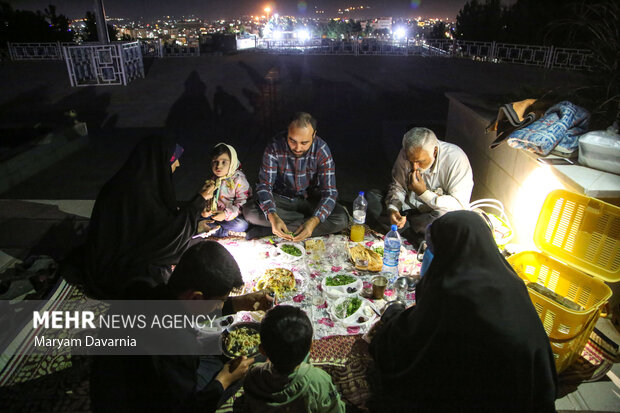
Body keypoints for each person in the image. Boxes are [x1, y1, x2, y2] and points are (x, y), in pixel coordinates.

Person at [368, 211, 558, 413]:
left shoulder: (450, 290)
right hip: (532, 389)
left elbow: (412, 337)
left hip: (487, 394)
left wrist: (393, 314)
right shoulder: (510, 279)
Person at [90, 241, 275, 413]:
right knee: (248, 361)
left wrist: (236, 304)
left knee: (218, 346)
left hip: (116, 374)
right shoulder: (179, 345)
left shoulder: (142, 286)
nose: (220, 306)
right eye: (221, 301)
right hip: (130, 402)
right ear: (196, 298)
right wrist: (224, 381)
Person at [69, 135, 211, 299]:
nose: (178, 164)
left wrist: (195, 224)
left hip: (130, 248)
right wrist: (198, 201)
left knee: (194, 242)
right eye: (174, 159)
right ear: (159, 161)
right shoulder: (140, 192)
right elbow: (165, 242)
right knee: (182, 262)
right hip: (119, 268)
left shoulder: (136, 181)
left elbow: (156, 225)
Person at [243, 112, 348, 242]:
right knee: (249, 211)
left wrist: (314, 221)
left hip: (310, 200)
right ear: (287, 132)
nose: (298, 148)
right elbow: (264, 186)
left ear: (314, 135)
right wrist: (273, 216)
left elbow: (330, 193)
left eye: (304, 142)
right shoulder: (274, 146)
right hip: (282, 199)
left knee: (341, 218)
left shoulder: (322, 149)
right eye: (292, 140)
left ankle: (268, 230)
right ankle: (287, 224)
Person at [367, 127, 473, 242]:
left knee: (446, 220)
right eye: (411, 161)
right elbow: (398, 186)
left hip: (431, 215)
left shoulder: (456, 159)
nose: (414, 167)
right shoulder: (406, 153)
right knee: (372, 198)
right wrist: (393, 210)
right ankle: (415, 234)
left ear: (435, 151)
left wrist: (424, 193)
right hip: (408, 209)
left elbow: (459, 206)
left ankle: (412, 233)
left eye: (419, 161)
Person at [240, 305, 346, 413]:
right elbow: (336, 409)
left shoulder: (253, 375)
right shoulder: (319, 381)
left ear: (262, 351)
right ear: (311, 346)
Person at [200, 143, 251, 238]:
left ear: (232, 163)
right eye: (215, 162)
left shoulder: (238, 179)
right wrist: (206, 210)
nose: (218, 166)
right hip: (214, 216)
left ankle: (221, 231)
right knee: (199, 220)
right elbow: (206, 199)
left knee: (241, 225)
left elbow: (243, 203)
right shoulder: (212, 180)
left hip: (232, 217)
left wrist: (226, 214)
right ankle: (224, 232)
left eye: (224, 162)